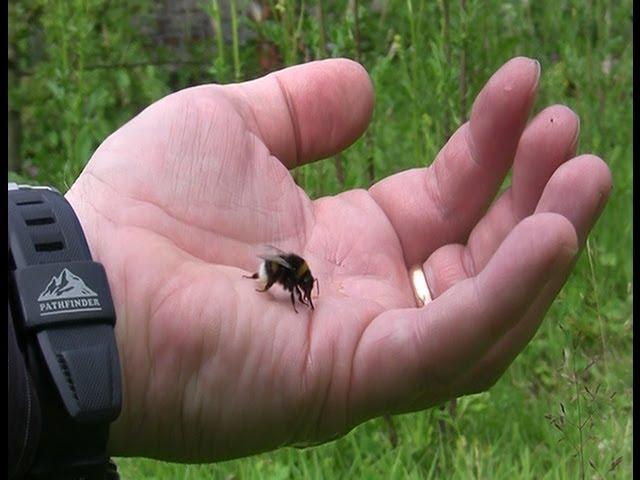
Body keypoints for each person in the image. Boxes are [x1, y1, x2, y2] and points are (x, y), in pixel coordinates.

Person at [9, 56, 612, 471]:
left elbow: (292, 273)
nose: (307, 292)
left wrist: (87, 278)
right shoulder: (290, 274)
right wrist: (101, 266)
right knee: (271, 278)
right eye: (306, 287)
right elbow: (284, 272)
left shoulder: (298, 273)